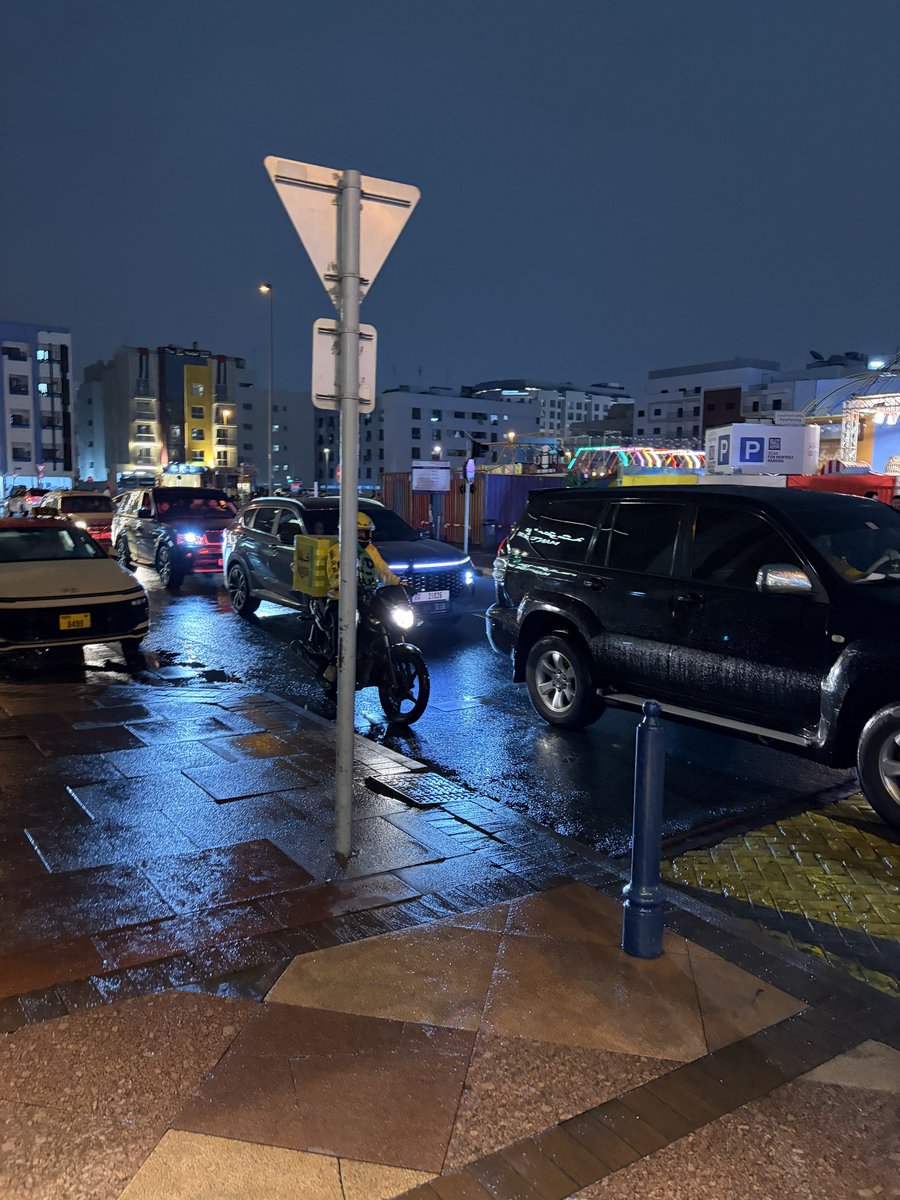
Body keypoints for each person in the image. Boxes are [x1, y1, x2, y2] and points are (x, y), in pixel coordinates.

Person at [320, 512, 401, 686]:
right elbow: (335, 576)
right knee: (342, 628)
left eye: (365, 533)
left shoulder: (370, 550)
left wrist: (399, 583)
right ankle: (334, 663)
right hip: (340, 599)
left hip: (366, 598)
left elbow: (383, 571)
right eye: (359, 533)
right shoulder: (337, 551)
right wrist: (347, 585)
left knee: (388, 620)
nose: (363, 536)